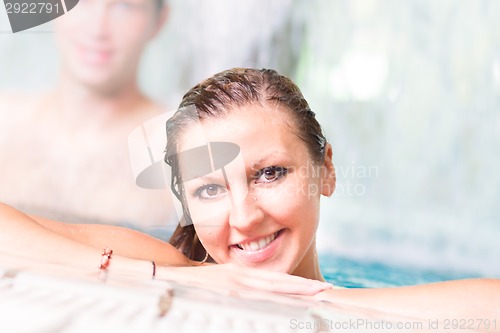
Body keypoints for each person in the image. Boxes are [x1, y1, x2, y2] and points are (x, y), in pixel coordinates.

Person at [0, 68, 498, 322]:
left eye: (270, 174)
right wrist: (163, 277)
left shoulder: (362, 296)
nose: (244, 216)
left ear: (325, 170)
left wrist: (324, 303)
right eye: (211, 189)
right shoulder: (170, 267)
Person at [0, 0, 174, 228]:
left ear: (158, 21)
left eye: (124, 6)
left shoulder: (179, 151)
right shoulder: (5, 121)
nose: (97, 29)